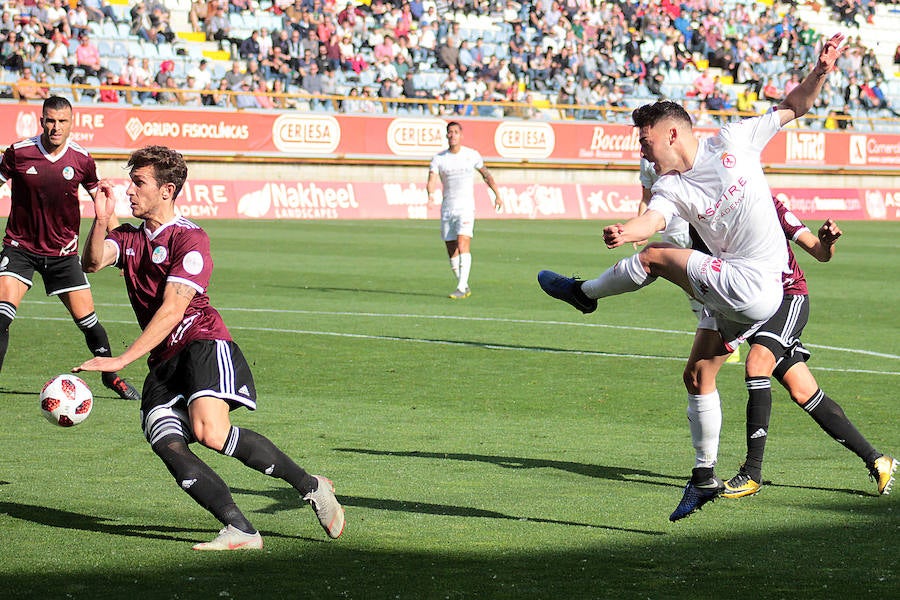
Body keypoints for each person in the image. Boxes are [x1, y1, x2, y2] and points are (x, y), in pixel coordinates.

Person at [537, 33, 846, 522]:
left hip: (758, 286)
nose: (642, 149)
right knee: (698, 375)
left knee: (659, 259)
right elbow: (653, 220)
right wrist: (626, 231)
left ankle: (585, 293)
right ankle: (704, 478)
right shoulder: (670, 186)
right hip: (734, 292)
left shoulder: (735, 140)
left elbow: (794, 105)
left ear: (672, 134)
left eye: (645, 139)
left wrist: (822, 70)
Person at [73, 145, 346, 550]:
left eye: (138, 182)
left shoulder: (190, 238)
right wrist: (99, 219)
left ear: (167, 191)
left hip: (202, 342)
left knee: (210, 433)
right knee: (164, 439)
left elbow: (172, 310)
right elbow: (93, 262)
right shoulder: (129, 237)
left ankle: (312, 486)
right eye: (130, 181)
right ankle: (240, 529)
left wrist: (121, 358)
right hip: (163, 359)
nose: (130, 191)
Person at [723, 198, 896, 498]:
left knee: (756, 364)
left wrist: (827, 242)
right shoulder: (711, 212)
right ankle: (878, 460)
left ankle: (752, 473)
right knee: (804, 391)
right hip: (754, 307)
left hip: (789, 299)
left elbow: (819, 251)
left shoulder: (767, 205)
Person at [0, 96, 139, 401]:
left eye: (62, 121)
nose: (55, 127)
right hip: (19, 248)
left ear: (72, 123)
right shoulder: (18, 152)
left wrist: (123, 252)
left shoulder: (81, 160)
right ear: (41, 120)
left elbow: (104, 208)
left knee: (90, 324)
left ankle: (110, 377)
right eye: (50, 120)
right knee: (2, 316)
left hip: (62, 254)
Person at [426, 122, 503, 300]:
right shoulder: (439, 158)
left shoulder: (471, 155)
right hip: (447, 208)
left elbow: (486, 174)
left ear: (461, 135)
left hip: (466, 207)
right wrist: (430, 194)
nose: (452, 135)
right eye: (449, 132)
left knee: (463, 244)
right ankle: (464, 284)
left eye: (455, 132)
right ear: (446, 136)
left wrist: (497, 194)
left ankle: (461, 287)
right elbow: (431, 177)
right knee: (451, 248)